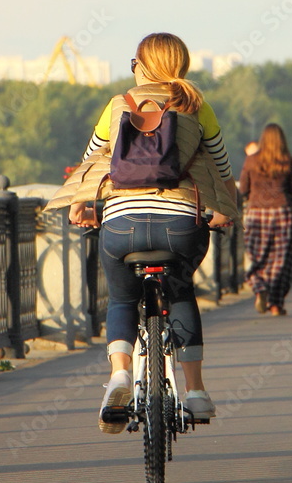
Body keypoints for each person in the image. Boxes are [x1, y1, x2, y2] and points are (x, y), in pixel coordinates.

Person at [64, 32, 240, 432]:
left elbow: (90, 164)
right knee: (180, 293)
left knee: (122, 300)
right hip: (180, 225)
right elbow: (222, 172)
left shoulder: (118, 106)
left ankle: (120, 376)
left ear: (141, 66)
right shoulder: (197, 107)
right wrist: (225, 213)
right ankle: (194, 392)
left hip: (121, 225)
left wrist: (80, 207)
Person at [239, 123, 292, 316]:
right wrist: (288, 205)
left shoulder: (251, 160)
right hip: (282, 213)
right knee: (280, 260)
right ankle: (276, 304)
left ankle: (259, 287)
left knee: (255, 256)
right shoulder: (287, 161)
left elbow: (243, 189)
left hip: (257, 213)